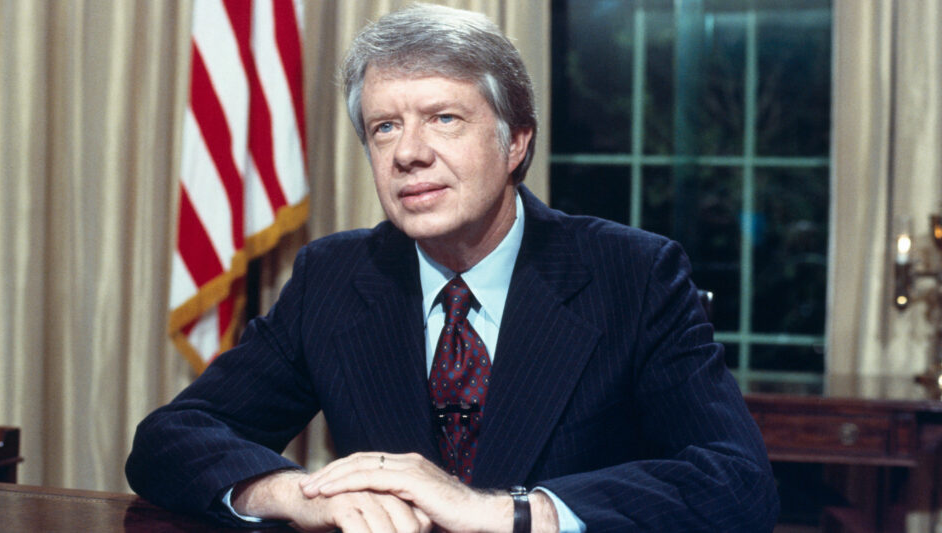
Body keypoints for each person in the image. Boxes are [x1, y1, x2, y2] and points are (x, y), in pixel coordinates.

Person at [126, 4, 779, 532]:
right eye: (385, 127)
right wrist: (293, 491)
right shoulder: (335, 274)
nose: (409, 152)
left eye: (443, 118)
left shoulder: (632, 274)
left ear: (516, 139)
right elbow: (170, 438)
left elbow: (739, 479)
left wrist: (507, 512)